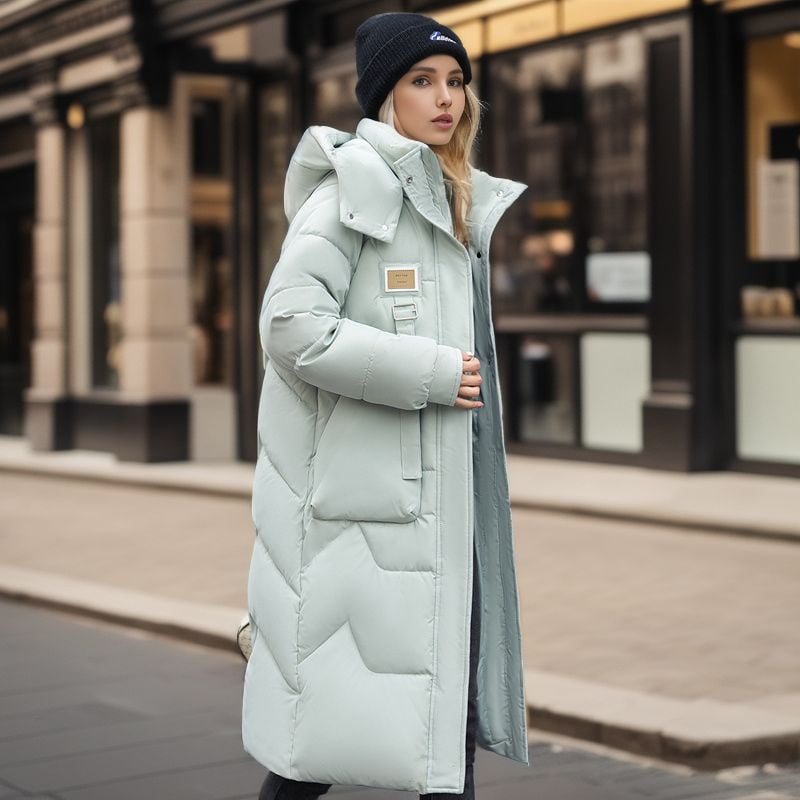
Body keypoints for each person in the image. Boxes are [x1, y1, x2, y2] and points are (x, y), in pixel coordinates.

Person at [243, 12, 530, 800]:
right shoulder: (351, 194)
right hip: (364, 516)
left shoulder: (452, 200)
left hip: (441, 507)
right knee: (321, 741)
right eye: (422, 81)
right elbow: (290, 325)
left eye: (456, 82)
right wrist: (432, 373)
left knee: (441, 721)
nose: (446, 99)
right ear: (383, 97)